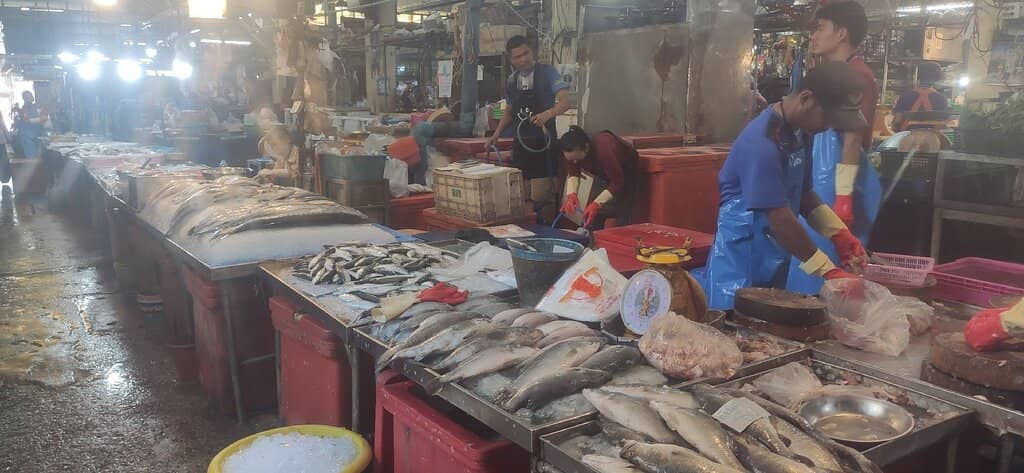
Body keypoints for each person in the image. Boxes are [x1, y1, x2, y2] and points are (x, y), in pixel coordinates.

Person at [697, 61, 869, 310]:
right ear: (807, 99)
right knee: (738, 324)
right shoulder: (762, 143)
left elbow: (805, 194)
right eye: (829, 117)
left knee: (769, 324)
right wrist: (828, 271)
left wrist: (839, 233)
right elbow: (779, 217)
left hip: (775, 252)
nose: (830, 126)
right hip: (741, 259)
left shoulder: (802, 133)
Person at [786, 0, 883, 295]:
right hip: (821, 175)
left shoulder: (857, 75)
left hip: (841, 176)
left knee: (830, 257)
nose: (813, 36)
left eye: (820, 28)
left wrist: (843, 196)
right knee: (808, 250)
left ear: (841, 33)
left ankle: (827, 321)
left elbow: (852, 137)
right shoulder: (831, 72)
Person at [485, 35, 572, 219]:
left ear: (532, 51)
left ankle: (547, 230)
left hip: (544, 142)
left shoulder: (548, 73)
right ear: (511, 59)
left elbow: (565, 102)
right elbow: (508, 111)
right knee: (521, 194)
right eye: (518, 56)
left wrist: (548, 114)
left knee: (543, 194)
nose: (523, 59)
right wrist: (496, 135)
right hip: (521, 144)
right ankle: (528, 231)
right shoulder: (511, 80)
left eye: (526, 53)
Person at [558, 126, 640, 229]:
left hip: (624, 174)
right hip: (600, 174)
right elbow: (573, 171)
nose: (575, 163)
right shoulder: (573, 151)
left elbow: (617, 182)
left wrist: (597, 204)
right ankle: (592, 239)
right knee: (592, 213)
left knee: (621, 213)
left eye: (577, 160)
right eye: (571, 160)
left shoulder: (603, 149)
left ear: (586, 148)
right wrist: (571, 195)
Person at [892, 61, 949, 132]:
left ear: (918, 75)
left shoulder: (906, 96)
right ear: (938, 77)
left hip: (907, 138)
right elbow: (943, 124)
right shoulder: (941, 98)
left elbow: (897, 120)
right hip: (932, 139)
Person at [18, 91, 45, 159]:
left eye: (30, 96)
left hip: (38, 136)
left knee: (41, 158)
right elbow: (26, 120)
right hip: (27, 138)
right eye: (27, 97)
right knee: (32, 159)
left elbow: (44, 118)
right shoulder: (23, 109)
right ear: (24, 99)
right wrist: (39, 119)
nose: (29, 98)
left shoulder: (37, 107)